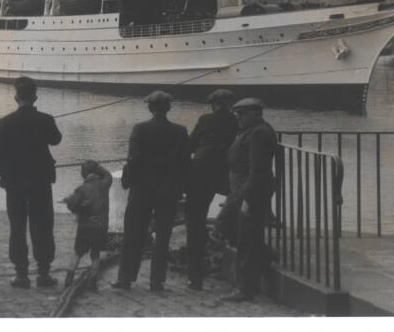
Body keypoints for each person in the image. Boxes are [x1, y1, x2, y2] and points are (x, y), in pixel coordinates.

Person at [0, 76, 62, 288]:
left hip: (15, 184)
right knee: (43, 226)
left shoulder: (5, 122)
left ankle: (21, 274)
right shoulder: (45, 120)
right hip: (40, 182)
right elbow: (56, 139)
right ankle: (43, 273)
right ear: (35, 96)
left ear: (16, 97)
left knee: (17, 226)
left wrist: (5, 174)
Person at [112, 91, 189, 292]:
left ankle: (126, 278)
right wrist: (180, 188)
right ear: (168, 108)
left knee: (133, 234)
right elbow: (184, 164)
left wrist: (127, 181)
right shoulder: (180, 131)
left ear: (149, 108)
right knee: (163, 236)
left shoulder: (140, 129)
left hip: (142, 189)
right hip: (167, 191)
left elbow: (133, 159)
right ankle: (157, 281)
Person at [220, 97, 277, 302]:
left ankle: (245, 289)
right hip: (240, 190)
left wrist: (248, 198)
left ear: (256, 113)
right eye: (237, 114)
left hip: (250, 192)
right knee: (232, 228)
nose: (238, 117)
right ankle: (263, 255)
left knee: (245, 239)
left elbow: (258, 170)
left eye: (242, 114)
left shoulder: (259, 133)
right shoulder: (250, 131)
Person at [185, 88, 238, 290]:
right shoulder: (237, 121)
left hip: (201, 173)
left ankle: (194, 277)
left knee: (195, 223)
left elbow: (189, 146)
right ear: (230, 104)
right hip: (226, 173)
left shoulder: (205, 119)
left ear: (213, 105)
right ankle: (235, 270)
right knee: (237, 214)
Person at [61, 160, 113, 292]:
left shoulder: (81, 189)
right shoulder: (104, 185)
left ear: (83, 174)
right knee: (95, 256)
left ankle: (68, 280)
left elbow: (73, 204)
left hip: (85, 227)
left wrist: (70, 203)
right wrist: (99, 168)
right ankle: (93, 283)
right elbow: (108, 175)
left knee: (78, 253)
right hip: (100, 227)